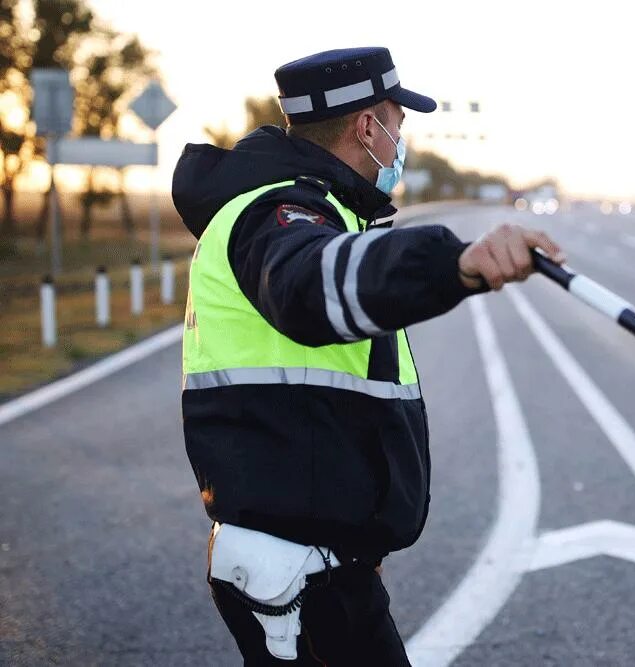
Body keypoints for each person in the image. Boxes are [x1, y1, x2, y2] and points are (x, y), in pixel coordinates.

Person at [171, 46, 564, 664]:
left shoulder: (319, 213)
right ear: (367, 126)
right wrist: (453, 262)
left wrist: (364, 543)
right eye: (398, 126)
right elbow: (307, 284)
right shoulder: (276, 214)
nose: (399, 144)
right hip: (293, 572)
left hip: (322, 561)